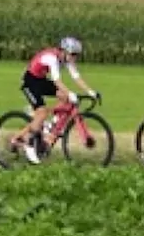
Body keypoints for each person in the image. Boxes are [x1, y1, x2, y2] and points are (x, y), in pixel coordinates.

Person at [9, 37, 99, 165]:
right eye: (73, 54)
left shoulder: (66, 59)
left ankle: (52, 125)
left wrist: (91, 92)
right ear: (65, 51)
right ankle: (29, 145)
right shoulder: (52, 58)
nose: (75, 58)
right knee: (42, 113)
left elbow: (76, 77)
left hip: (40, 80)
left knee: (65, 97)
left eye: (77, 55)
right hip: (30, 81)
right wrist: (70, 93)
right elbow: (57, 81)